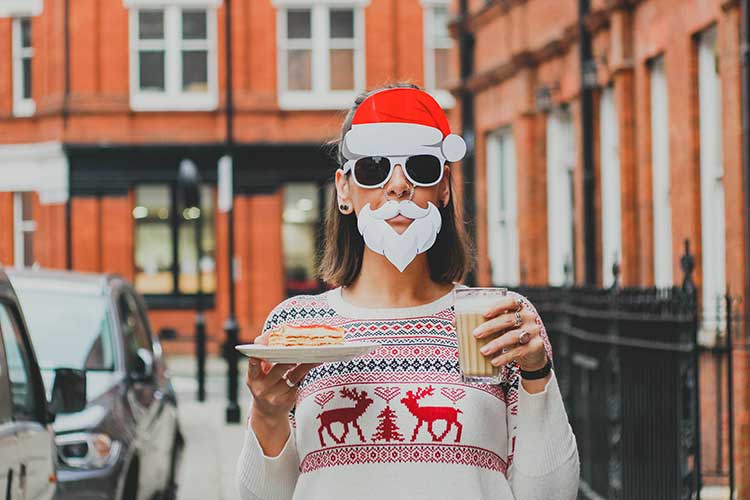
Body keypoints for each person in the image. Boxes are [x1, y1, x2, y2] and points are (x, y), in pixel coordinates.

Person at [237, 84, 579, 500]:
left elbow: (551, 495)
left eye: (420, 167)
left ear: (445, 187)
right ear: (344, 190)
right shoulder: (299, 328)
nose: (398, 186)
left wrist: (536, 373)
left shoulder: (498, 321)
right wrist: (268, 415)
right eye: (374, 168)